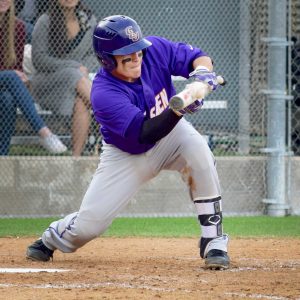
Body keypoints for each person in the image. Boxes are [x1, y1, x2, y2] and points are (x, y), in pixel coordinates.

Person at [26, 15, 230, 270]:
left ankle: (214, 241)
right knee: (89, 226)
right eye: (127, 56)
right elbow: (144, 133)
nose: (136, 59)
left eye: (138, 52)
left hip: (172, 136)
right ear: (106, 60)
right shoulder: (103, 92)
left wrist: (202, 74)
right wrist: (180, 108)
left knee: (199, 150)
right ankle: (52, 237)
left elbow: (197, 57)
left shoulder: (153, 50)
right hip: (126, 154)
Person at [29, 0, 98, 156]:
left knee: (82, 101)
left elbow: (93, 54)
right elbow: (39, 60)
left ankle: (76, 159)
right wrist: (74, 66)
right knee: (73, 74)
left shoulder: (88, 20)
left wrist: (82, 69)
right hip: (48, 82)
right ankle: (116, 114)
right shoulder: (45, 21)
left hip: (79, 82)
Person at [0, 0, 67, 155]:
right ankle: (44, 133)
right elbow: (10, 72)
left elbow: (14, 65)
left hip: (4, 82)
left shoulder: (17, 27)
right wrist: (12, 73)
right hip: (6, 77)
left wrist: (21, 76)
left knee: (7, 99)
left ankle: (2, 156)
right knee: (10, 76)